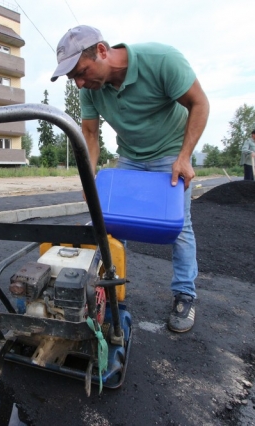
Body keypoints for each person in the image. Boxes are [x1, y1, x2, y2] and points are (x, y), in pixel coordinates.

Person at [50, 25, 209, 333]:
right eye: (74, 79)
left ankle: (184, 295)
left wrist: (185, 156)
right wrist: (89, 177)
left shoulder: (162, 60)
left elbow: (199, 104)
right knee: (110, 222)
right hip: (130, 157)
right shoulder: (89, 90)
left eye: (81, 72)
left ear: (101, 51)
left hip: (170, 155)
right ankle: (106, 291)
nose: (80, 83)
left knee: (179, 227)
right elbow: (90, 134)